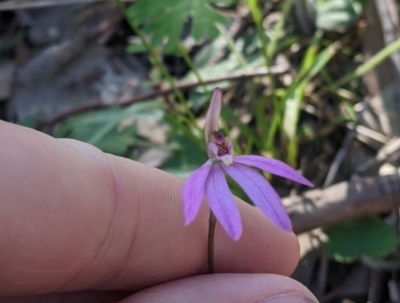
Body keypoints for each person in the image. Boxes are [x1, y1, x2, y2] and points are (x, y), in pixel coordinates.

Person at [0, 120, 317, 303]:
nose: (222, 144)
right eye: (216, 140)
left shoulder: (242, 166)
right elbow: (194, 206)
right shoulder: (201, 179)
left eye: (223, 140)